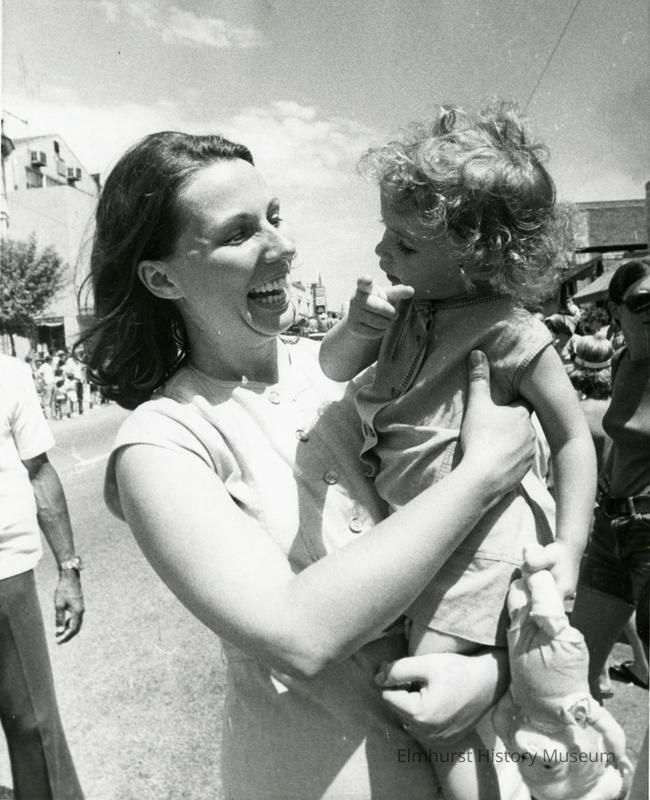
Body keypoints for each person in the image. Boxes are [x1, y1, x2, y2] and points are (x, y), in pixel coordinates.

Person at [78, 130, 543, 800]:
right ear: (162, 277)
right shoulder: (163, 441)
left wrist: (490, 672)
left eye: (275, 216)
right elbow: (298, 634)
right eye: (239, 233)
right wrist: (481, 475)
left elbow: (506, 543)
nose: (284, 245)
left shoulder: (359, 368)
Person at [319, 100, 596, 798]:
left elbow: (572, 437)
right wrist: (358, 328)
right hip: (423, 535)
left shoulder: (509, 330)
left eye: (405, 244)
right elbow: (331, 366)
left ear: (479, 253)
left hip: (483, 540)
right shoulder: (405, 311)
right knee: (459, 713)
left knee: (429, 704)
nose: (382, 252)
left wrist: (570, 545)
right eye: (384, 233)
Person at [0, 354, 85, 799]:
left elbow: (38, 471)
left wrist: (68, 568)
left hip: (5, 577)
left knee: (32, 724)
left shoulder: (8, 374)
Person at [572, 257, 650, 699]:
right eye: (641, 302)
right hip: (612, 527)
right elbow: (619, 435)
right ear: (617, 310)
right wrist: (606, 476)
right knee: (574, 670)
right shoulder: (622, 362)